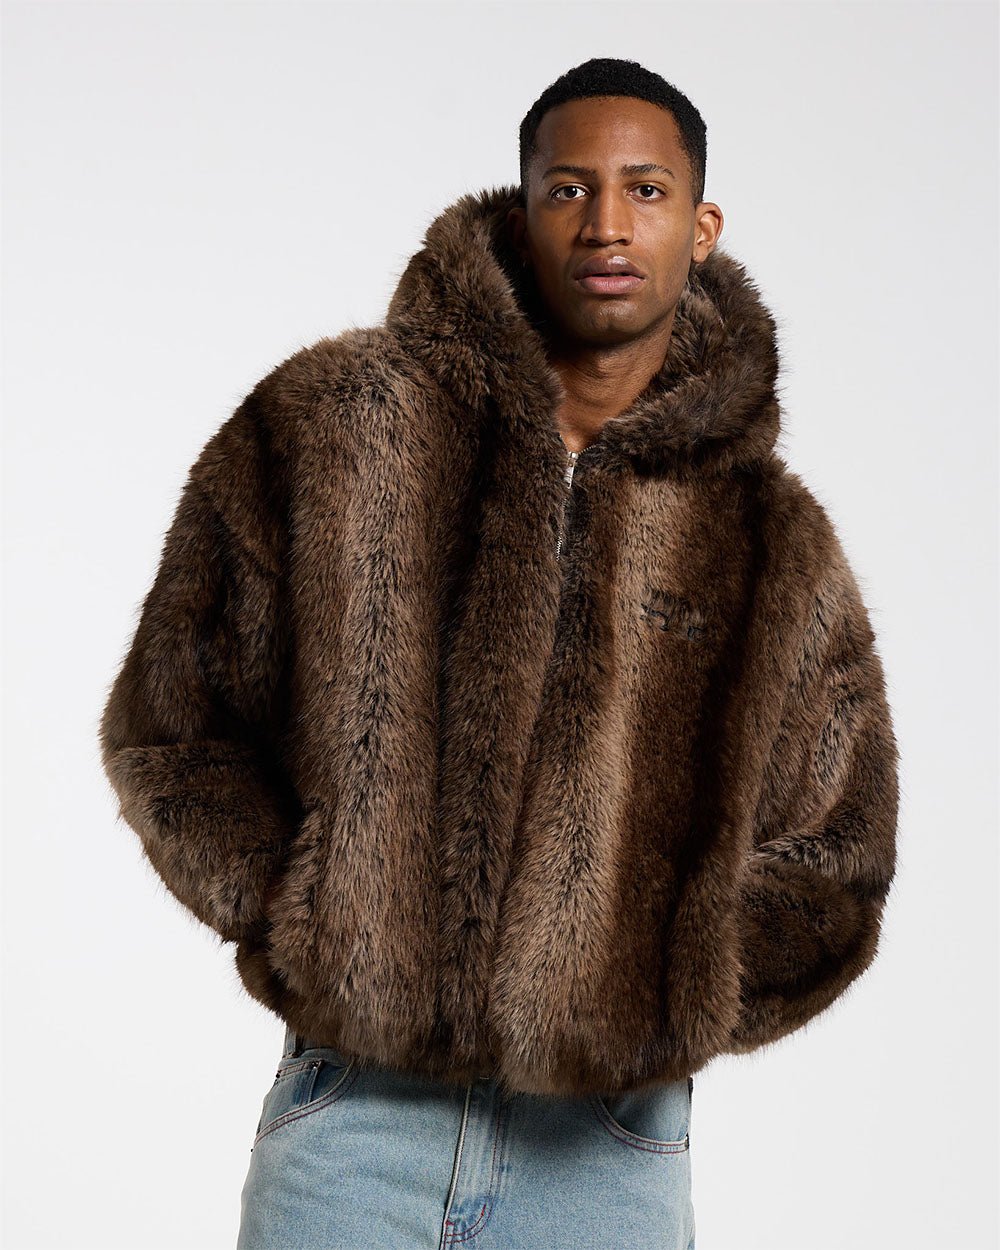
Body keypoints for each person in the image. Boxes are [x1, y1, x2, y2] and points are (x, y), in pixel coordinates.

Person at [98, 56, 899, 1250]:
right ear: (521, 213)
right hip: (356, 1122)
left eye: (645, 189)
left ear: (701, 225)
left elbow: (839, 850)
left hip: (608, 1155)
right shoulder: (337, 426)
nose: (606, 223)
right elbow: (174, 720)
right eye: (568, 188)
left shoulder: (771, 538)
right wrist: (306, 907)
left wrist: (662, 976)